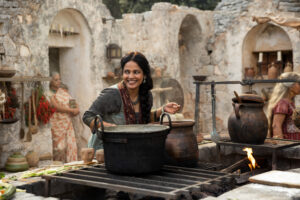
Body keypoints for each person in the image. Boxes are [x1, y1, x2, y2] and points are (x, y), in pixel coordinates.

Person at [83, 51, 181, 151]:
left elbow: (142, 119)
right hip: (104, 153)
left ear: (144, 75)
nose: (131, 76)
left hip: (129, 151)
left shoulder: (146, 95)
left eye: (136, 72)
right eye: (127, 72)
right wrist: (110, 128)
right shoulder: (113, 94)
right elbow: (88, 116)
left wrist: (162, 109)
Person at [48, 72, 80, 163]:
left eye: (59, 79)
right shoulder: (49, 92)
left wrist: (76, 108)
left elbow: (72, 102)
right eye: (56, 80)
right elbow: (55, 106)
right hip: (57, 123)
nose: (58, 81)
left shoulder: (63, 91)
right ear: (50, 81)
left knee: (70, 145)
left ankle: (70, 165)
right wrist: (71, 110)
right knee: (59, 148)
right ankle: (58, 166)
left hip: (67, 122)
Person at [267, 72, 300, 140]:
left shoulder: (289, 102)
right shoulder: (283, 103)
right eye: (299, 83)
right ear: (291, 86)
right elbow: (276, 126)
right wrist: (282, 146)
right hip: (288, 145)